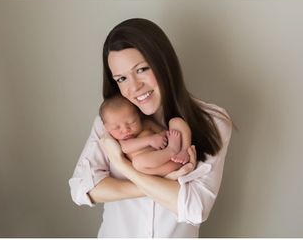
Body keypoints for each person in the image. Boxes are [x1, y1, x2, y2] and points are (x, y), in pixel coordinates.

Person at [69, 18, 231, 237]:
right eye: (122, 78)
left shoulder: (213, 121)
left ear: (163, 63)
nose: (134, 87)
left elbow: (195, 208)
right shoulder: (113, 123)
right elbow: (81, 189)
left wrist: (123, 166)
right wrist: (165, 182)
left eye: (142, 69)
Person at [98, 97, 193, 177]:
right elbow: (125, 148)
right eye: (116, 128)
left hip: (176, 158)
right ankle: (171, 152)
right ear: (107, 128)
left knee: (176, 121)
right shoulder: (121, 140)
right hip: (160, 168)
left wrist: (162, 136)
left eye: (131, 122)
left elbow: (164, 132)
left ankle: (185, 150)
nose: (125, 130)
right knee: (138, 163)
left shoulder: (147, 124)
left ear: (139, 116)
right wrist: (150, 140)